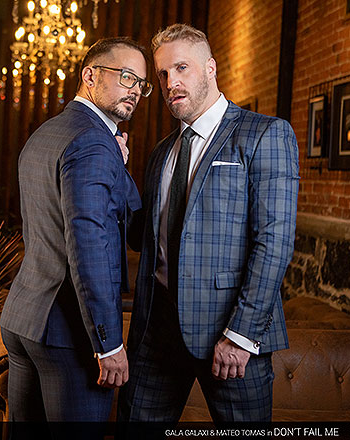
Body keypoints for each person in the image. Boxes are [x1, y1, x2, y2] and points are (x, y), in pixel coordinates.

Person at [119, 23, 299, 425]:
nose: (171, 83)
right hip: (157, 333)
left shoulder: (264, 134)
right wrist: (116, 170)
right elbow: (139, 236)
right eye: (163, 74)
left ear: (211, 67)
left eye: (181, 68)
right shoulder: (162, 152)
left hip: (229, 335)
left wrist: (240, 335)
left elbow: (274, 244)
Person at [0, 37, 151, 434]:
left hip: (23, 320)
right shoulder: (93, 143)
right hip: (66, 335)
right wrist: (109, 342)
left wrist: (119, 167)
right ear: (90, 75)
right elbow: (89, 248)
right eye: (126, 76)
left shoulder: (48, 132)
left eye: (141, 83)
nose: (135, 90)